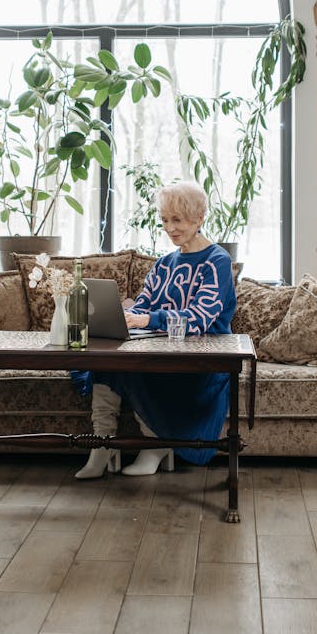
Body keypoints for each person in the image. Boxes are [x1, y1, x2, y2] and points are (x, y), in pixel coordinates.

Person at [74, 181, 237, 478]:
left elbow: (200, 317)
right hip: (161, 349)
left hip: (200, 361)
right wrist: (122, 315)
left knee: (136, 366)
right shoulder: (163, 264)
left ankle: (154, 444)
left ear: (200, 217)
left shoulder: (217, 262)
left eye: (178, 220)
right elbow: (144, 305)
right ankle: (102, 443)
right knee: (106, 361)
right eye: (164, 220)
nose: (170, 228)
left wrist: (148, 320)